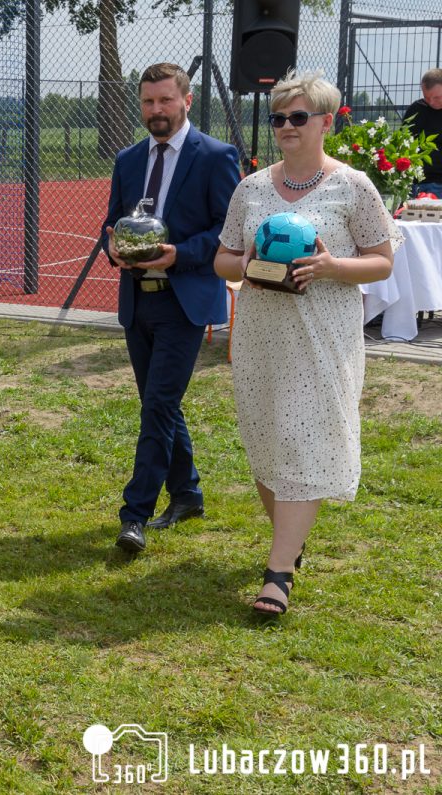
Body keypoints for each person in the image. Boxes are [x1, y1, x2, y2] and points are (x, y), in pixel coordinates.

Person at [213, 70, 398, 615]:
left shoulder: (353, 185)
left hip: (321, 339)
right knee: (269, 444)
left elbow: (383, 260)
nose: (286, 127)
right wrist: (246, 263)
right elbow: (223, 256)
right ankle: (290, 546)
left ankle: (277, 576)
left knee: (302, 442)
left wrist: (331, 265)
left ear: (325, 121)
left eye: (297, 117)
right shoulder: (251, 188)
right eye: (278, 118)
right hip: (260, 339)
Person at [101, 62, 241, 553]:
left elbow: (229, 231)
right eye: (147, 102)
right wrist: (113, 247)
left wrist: (180, 254)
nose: (155, 110)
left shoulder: (216, 156)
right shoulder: (128, 159)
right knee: (159, 405)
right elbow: (110, 224)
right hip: (137, 301)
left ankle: (133, 515)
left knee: (158, 406)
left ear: (186, 99)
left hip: (183, 303)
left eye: (164, 100)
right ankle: (188, 494)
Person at [405, 68, 442, 197]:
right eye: (427, 97)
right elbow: (404, 142)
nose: (431, 102)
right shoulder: (416, 109)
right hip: (414, 183)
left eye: (437, 97)